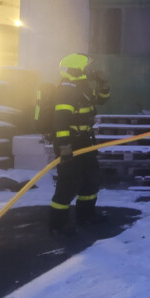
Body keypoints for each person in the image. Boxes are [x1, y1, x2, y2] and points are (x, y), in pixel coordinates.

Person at [49, 53, 110, 235]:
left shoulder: (81, 88)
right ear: (77, 70)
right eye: (87, 68)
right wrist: (64, 146)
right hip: (70, 143)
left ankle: (86, 215)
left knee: (91, 179)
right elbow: (60, 121)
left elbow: (102, 99)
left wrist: (103, 84)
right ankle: (58, 223)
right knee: (68, 184)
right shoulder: (66, 90)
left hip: (85, 140)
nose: (90, 70)